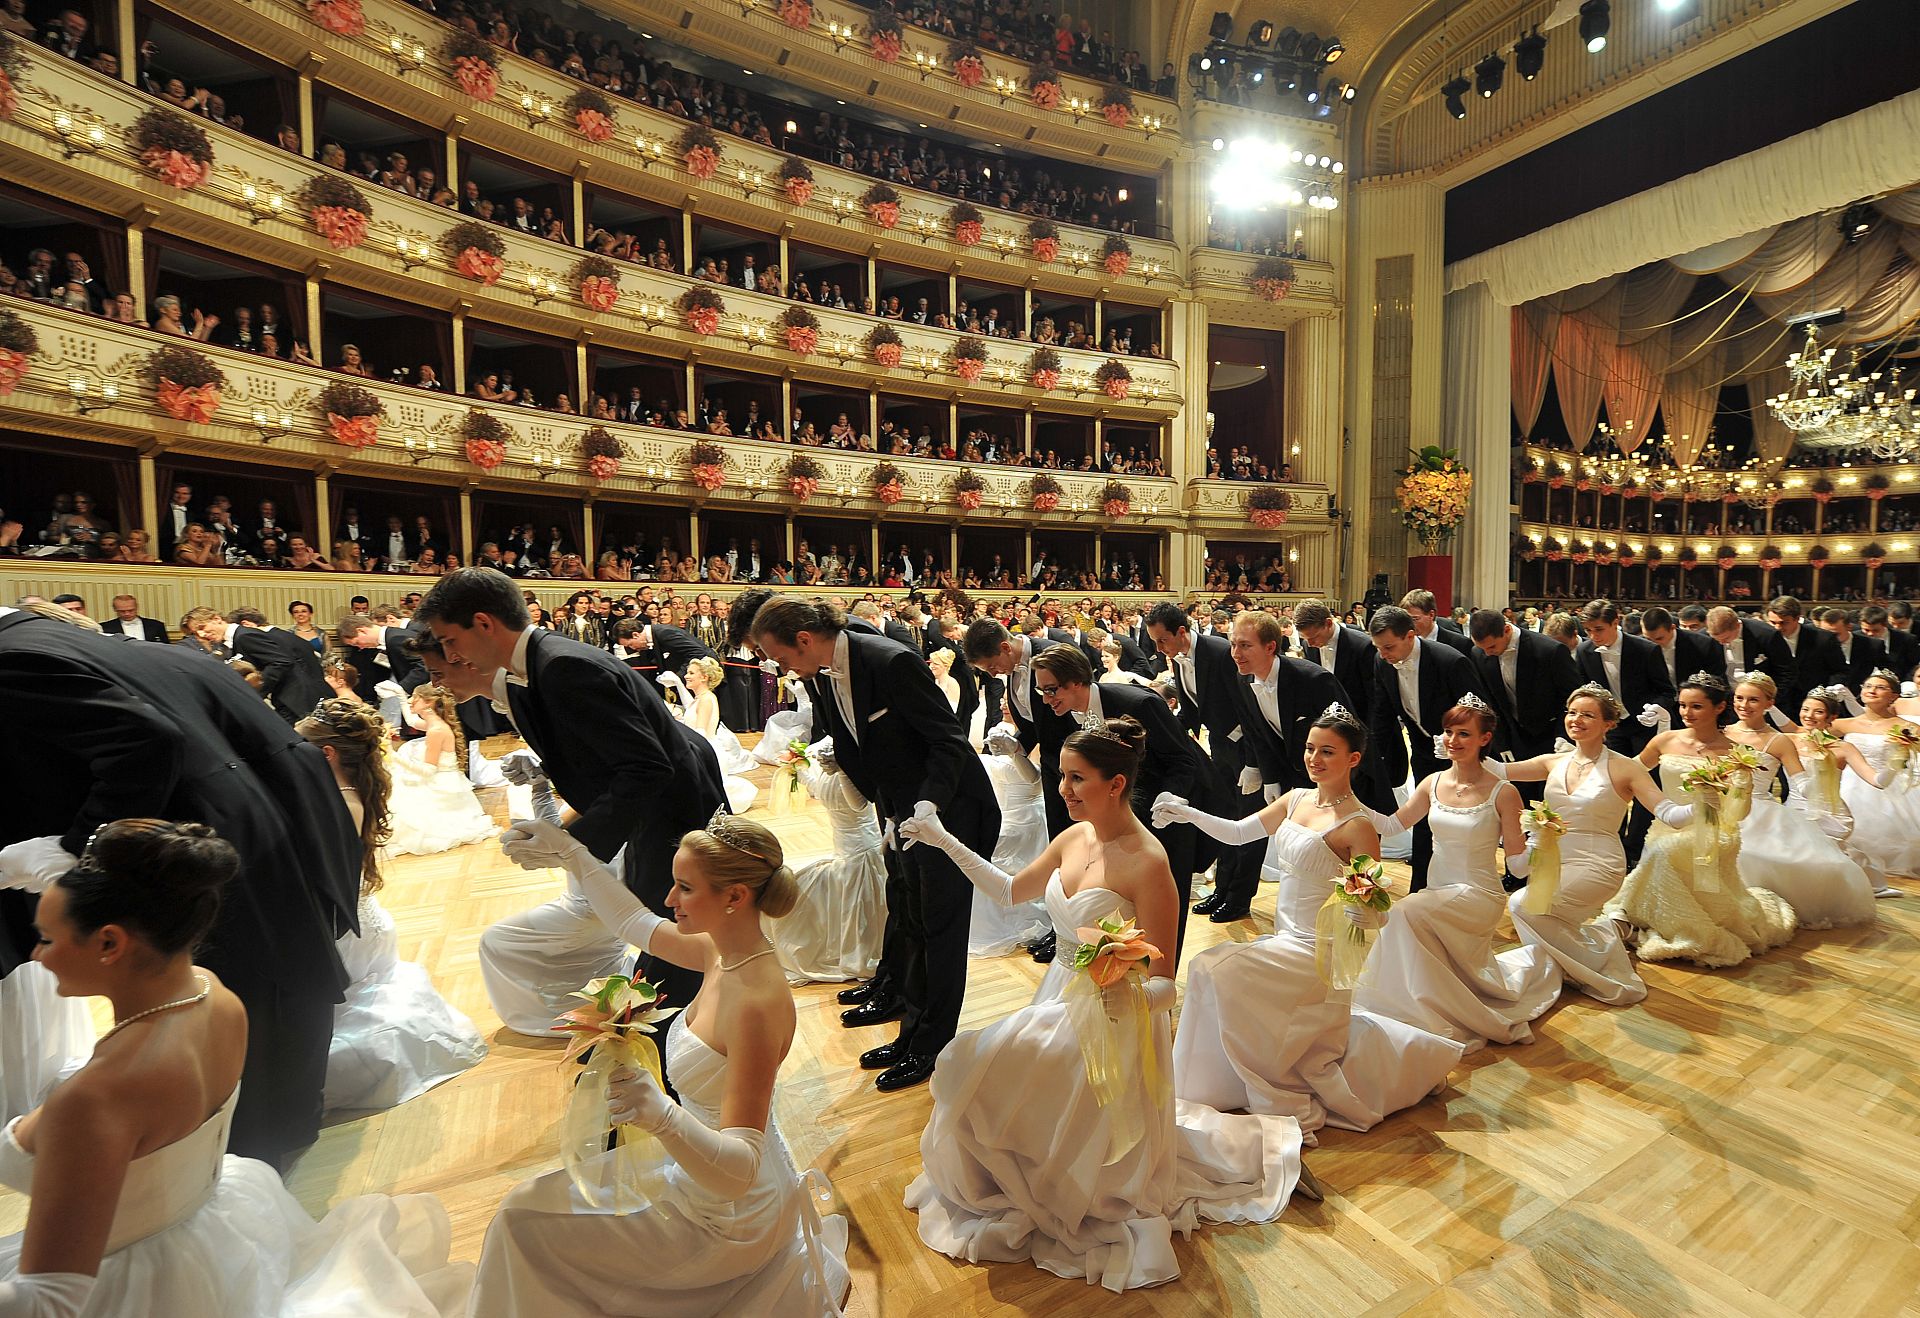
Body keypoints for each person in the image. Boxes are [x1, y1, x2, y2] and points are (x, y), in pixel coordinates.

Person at [0, 819, 470, 1316]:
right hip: (215, 1230)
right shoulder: (213, 996)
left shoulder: (98, 1095)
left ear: (110, 944)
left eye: (48, 939)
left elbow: (48, 1301)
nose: (38, 956)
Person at [899, 720, 1300, 1293]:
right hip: (1057, 995)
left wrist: (1120, 997)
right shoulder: (1073, 837)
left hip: (1117, 1016)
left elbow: (1165, 981)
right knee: (997, 1074)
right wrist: (944, 840)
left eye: (1076, 779)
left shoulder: (1149, 863)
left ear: (1116, 784)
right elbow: (1012, 892)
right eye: (1062, 775)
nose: (1062, 789)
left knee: (980, 1065)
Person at [0, 605, 359, 1168]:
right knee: (271, 986)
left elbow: (146, 741)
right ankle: (273, 1135)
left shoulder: (12, 657)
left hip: (213, 834)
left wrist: (81, 846)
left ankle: (244, 1150)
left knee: (240, 985)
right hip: (275, 816)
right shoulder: (133, 649)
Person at [467, 814, 850, 1316]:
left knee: (523, 1221)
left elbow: (739, 1171)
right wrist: (574, 855)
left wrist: (662, 1115)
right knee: (525, 1208)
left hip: (727, 1212)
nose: (669, 900)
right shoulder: (723, 953)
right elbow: (634, 923)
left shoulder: (756, 1002)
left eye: (684, 888)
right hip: (695, 1168)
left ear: (734, 897)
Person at [418, 568, 726, 1028]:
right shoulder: (536, 670)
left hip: (671, 816)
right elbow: (603, 752)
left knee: (673, 929)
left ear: (483, 624)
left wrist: (571, 845)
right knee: (659, 929)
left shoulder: (563, 665)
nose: (450, 655)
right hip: (655, 812)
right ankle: (652, 1034)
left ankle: (668, 1044)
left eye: (448, 641)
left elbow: (647, 766)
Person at [1153, 709, 1465, 1136]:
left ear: (1353, 760)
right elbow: (1240, 833)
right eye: (1310, 748)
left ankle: (1224, 1083)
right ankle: (1211, 1084)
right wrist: (1189, 814)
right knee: (1213, 973)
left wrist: (1361, 908)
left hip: (1319, 951)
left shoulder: (1358, 827)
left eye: (1327, 752)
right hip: (1284, 940)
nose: (1314, 758)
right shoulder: (1296, 798)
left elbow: (1373, 915)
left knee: (1208, 967)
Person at [751, 599, 999, 1094]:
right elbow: (860, 746)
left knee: (939, 928)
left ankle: (930, 1045)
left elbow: (948, 741)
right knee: (906, 912)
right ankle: (909, 1020)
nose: (780, 667)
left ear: (803, 639)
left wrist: (928, 808)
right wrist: (888, 811)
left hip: (948, 812)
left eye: (779, 655)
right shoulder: (821, 672)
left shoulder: (889, 660)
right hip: (900, 811)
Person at [295, 700, 485, 1112]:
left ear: (326, 753)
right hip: (365, 919)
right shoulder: (345, 791)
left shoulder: (342, 802)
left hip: (351, 928)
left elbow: (330, 877)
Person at [1352, 697, 1561, 1050]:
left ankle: (1420, 1009)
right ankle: (1413, 1004)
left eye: (1464, 733)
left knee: (1403, 913)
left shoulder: (1502, 791)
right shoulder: (1432, 783)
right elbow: (1391, 826)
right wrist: (1347, 799)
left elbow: (1516, 866)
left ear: (1485, 739)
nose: (1452, 740)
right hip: (1439, 891)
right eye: (1448, 732)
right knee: (1411, 917)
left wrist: (1541, 841)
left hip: (1479, 894)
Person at [1598, 672, 1798, 967]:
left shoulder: (1735, 753)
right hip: (1665, 826)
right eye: (1682, 706)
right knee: (1661, 849)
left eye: (1696, 707)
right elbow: (1631, 774)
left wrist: (1735, 791)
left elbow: (1738, 814)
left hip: (1716, 830)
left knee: (1662, 854)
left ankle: (1652, 922)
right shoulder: (1665, 740)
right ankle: (1645, 918)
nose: (1686, 713)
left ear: (1719, 708)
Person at [1721, 673, 1876, 929]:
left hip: (1756, 809)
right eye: (1739, 698)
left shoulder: (1778, 740)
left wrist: (1821, 800)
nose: (1744, 705)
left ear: (1769, 704)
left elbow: (1800, 780)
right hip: (1717, 805)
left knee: (1755, 855)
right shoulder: (1721, 732)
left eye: (1753, 700)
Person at [770, 742, 887, 984]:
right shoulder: (827, 771)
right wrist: (798, 769)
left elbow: (859, 804)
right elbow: (818, 789)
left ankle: (863, 954)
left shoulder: (852, 773)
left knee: (861, 908)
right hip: (842, 848)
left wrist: (844, 771)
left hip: (862, 849)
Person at [384, 685, 496, 857]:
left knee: (398, 783)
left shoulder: (436, 730)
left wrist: (392, 754)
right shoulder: (433, 724)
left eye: (415, 697)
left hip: (439, 782)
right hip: (443, 778)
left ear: (429, 703)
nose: (410, 701)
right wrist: (399, 694)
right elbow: (412, 721)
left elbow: (428, 770)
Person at [1832, 669, 1920, 882]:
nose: (1872, 690)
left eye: (1880, 687)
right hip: (1849, 783)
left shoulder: (1907, 727)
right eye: (1868, 686)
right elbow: (1808, 738)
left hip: (1888, 783)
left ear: (1893, 696)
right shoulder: (1843, 724)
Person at [659, 657, 759, 815]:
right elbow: (689, 705)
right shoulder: (701, 697)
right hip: (706, 749)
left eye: (691, 673)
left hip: (708, 752)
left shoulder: (706, 699)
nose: (686, 676)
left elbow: (700, 733)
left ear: (704, 677)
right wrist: (678, 685)